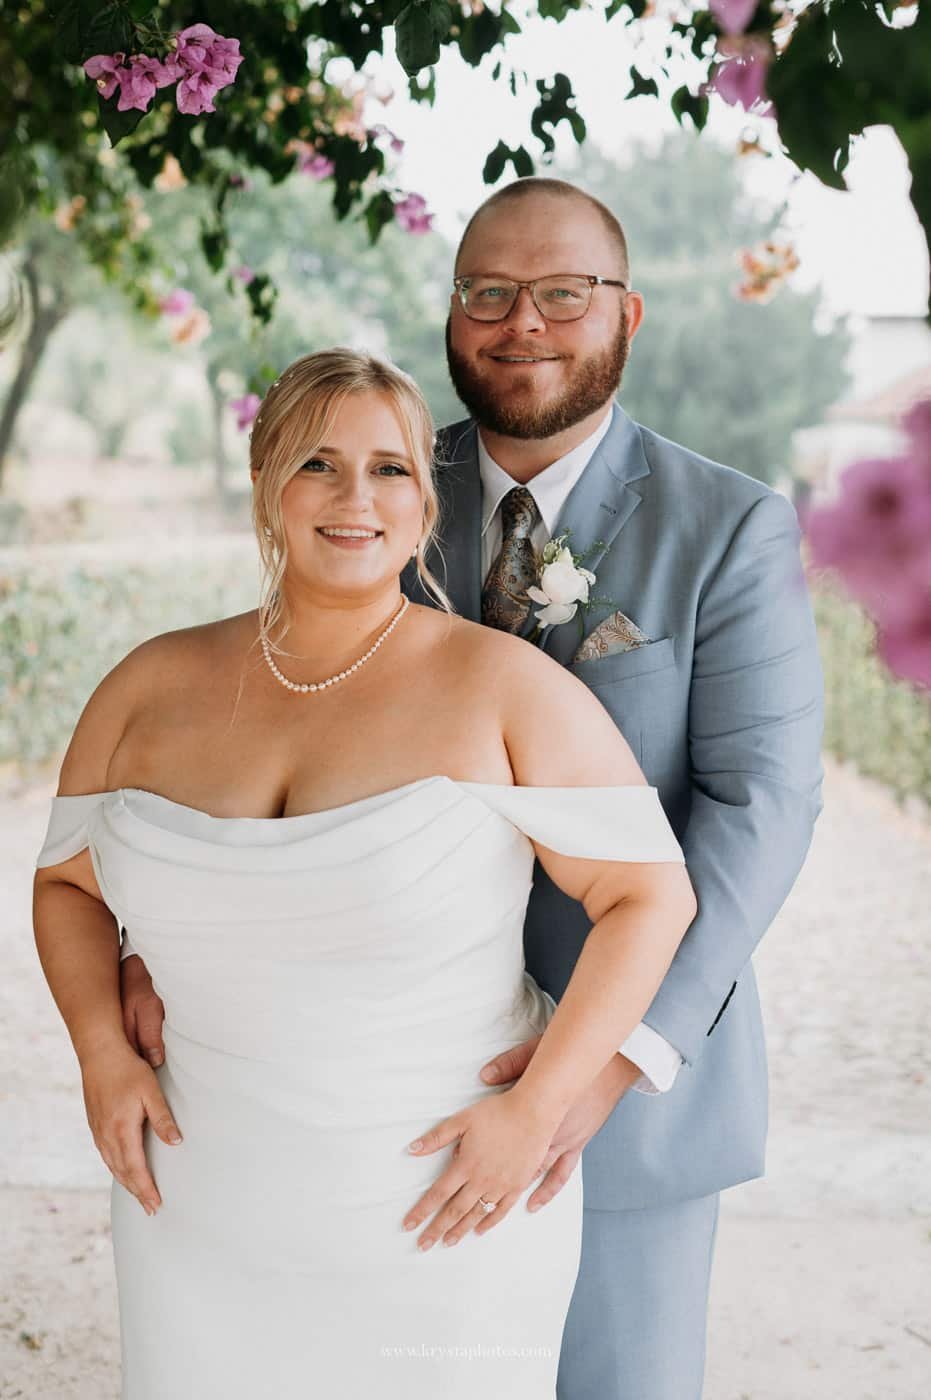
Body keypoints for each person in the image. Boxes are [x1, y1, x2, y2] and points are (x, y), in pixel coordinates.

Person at [119, 177, 825, 1398]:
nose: (523, 323)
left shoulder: (729, 526)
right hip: (370, 1102)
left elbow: (759, 809)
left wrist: (604, 1063)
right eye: (487, 292)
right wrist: (164, 940)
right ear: (451, 312)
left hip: (618, 1095)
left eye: (563, 292)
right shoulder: (370, 484)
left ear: (629, 312)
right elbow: (248, 713)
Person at [33, 347, 696, 1399]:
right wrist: (101, 1052)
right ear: (264, 484)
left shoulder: (500, 686)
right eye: (317, 465)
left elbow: (648, 894)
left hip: (443, 1199)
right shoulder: (146, 685)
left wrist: (538, 1108)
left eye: (390, 468)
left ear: (425, 501)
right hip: (198, 1202)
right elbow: (65, 884)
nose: (356, 497)